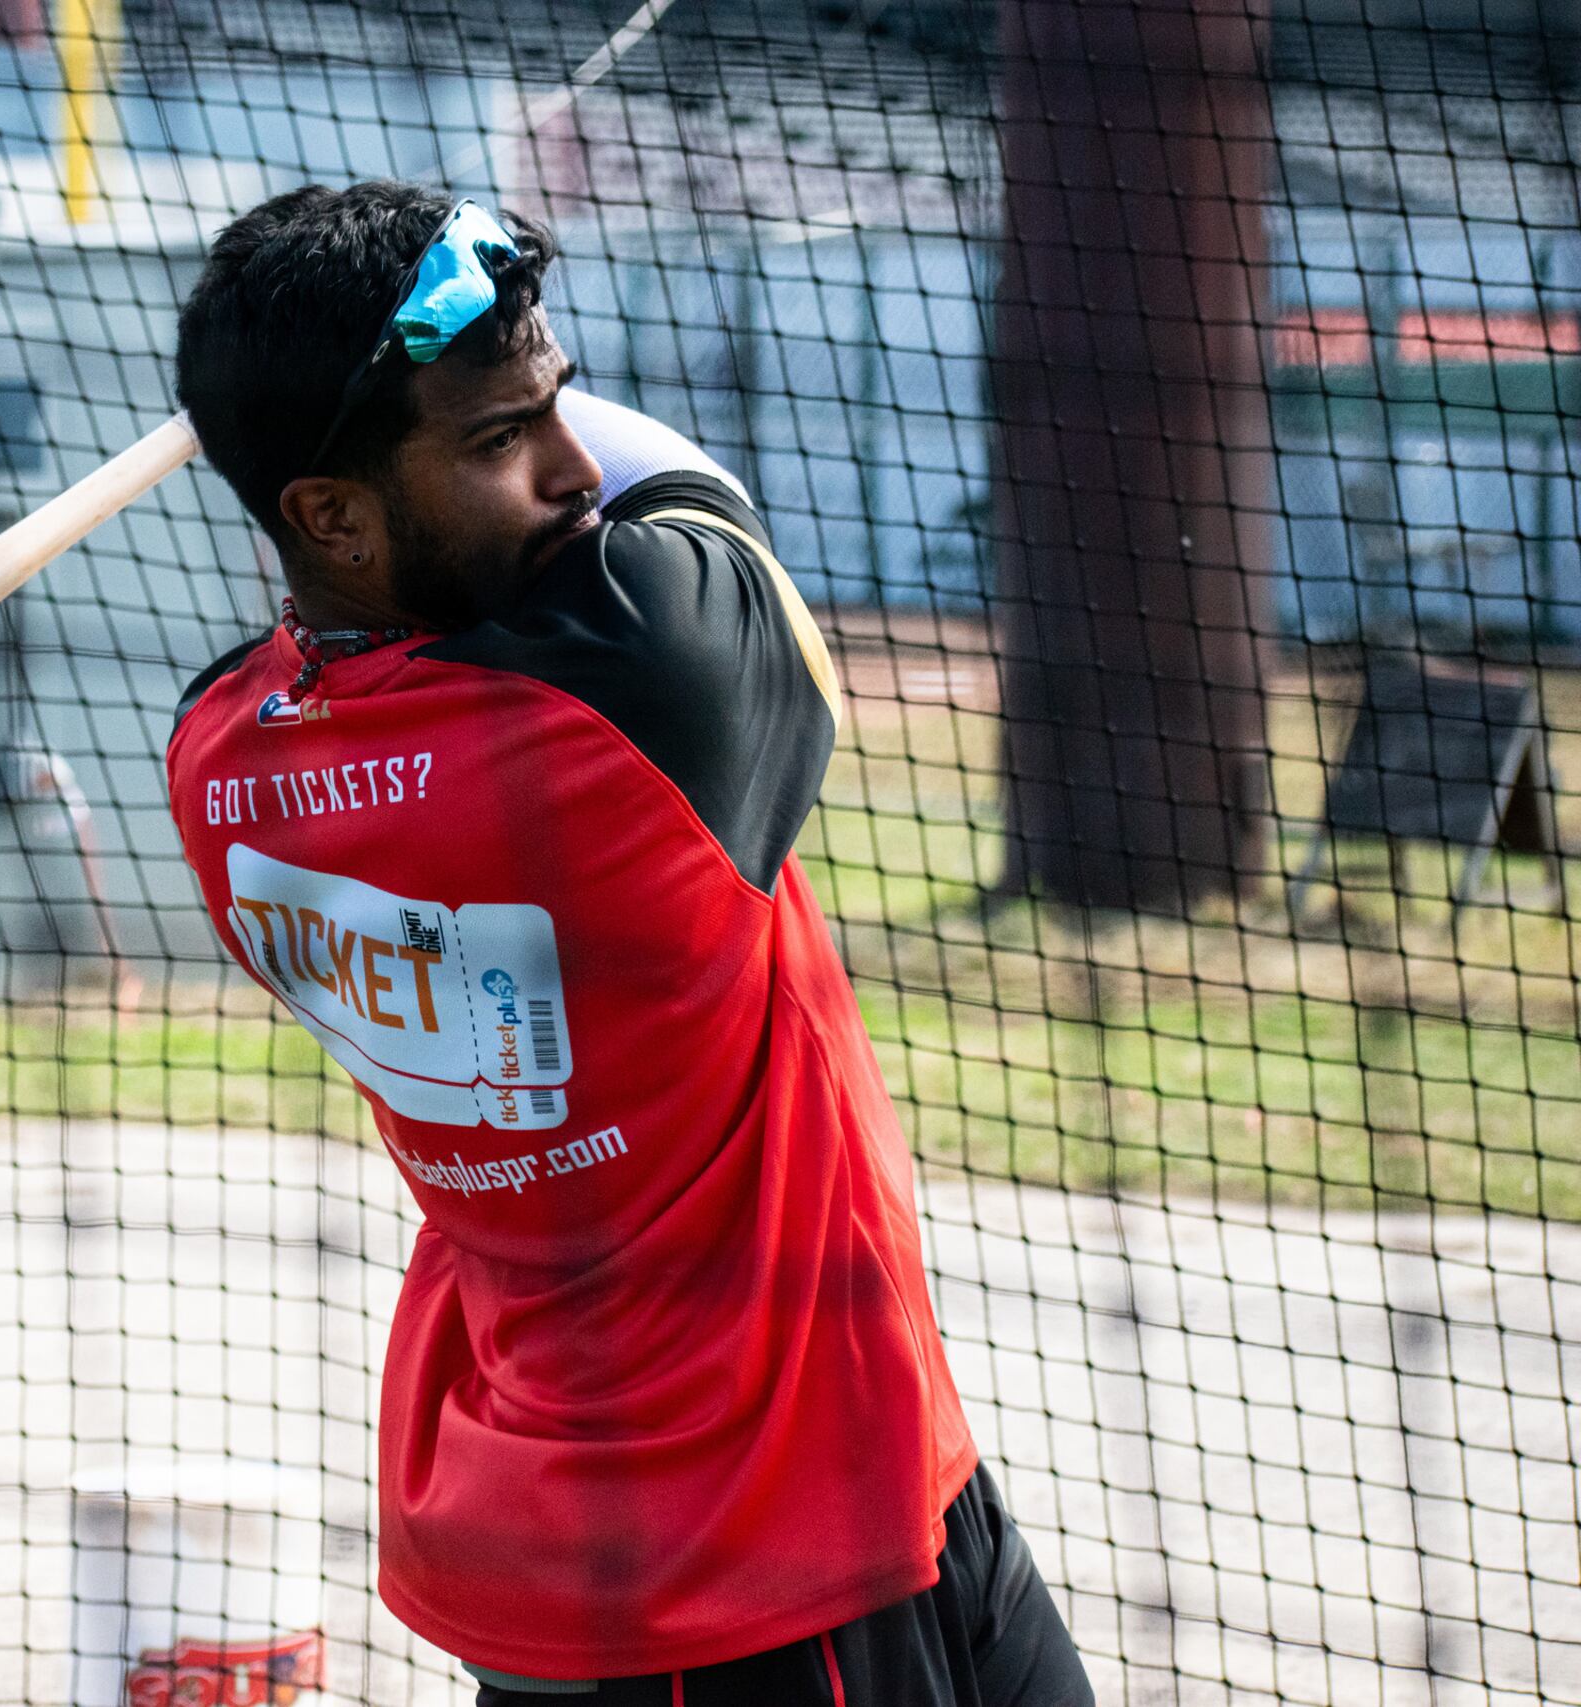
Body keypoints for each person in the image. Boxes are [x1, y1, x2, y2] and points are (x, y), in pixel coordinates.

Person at [163, 180, 1094, 1706]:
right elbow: (682, 487)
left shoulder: (219, 767)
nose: (568, 468)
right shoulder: (637, 692)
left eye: (556, 405)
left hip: (719, 1493)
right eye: (495, 441)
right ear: (328, 514)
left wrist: (337, 413)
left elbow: (335, 639)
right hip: (750, 1571)